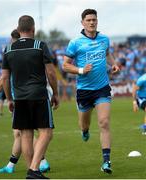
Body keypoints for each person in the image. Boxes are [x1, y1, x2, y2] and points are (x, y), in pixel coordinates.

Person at [63, 9, 120, 174]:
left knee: (104, 122)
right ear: (82, 23)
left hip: (102, 88)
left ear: (97, 21)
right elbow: (65, 65)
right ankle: (85, 131)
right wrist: (81, 70)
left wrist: (113, 64)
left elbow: (107, 54)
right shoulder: (75, 42)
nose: (92, 22)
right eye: (88, 20)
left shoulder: (104, 39)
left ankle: (106, 162)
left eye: (94, 19)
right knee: (84, 124)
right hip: (84, 90)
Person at [2, 15, 59, 179]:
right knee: (46, 132)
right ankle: (34, 169)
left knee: (26, 134)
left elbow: (5, 78)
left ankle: (32, 172)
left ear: (19, 30)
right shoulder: (40, 45)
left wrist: (10, 99)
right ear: (33, 29)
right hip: (38, 95)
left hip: (19, 98)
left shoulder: (9, 49)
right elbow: (51, 73)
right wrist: (55, 93)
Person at [0, 29, 51, 174]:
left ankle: (39, 162)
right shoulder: (26, 52)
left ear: (14, 39)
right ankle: (16, 165)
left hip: (20, 99)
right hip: (28, 97)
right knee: (22, 133)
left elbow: (3, 78)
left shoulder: (12, 53)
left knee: (23, 133)